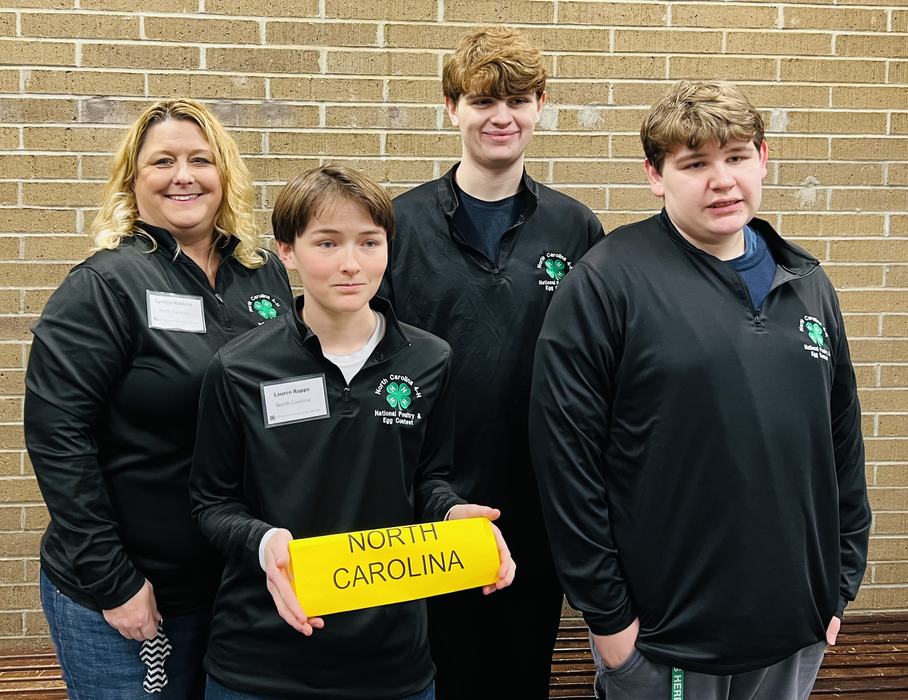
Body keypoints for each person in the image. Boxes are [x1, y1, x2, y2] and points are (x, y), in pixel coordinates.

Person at [529, 80, 872, 700]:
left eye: (737, 157)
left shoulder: (809, 284)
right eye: (694, 164)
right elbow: (565, 460)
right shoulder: (607, 282)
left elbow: (842, 446)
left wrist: (840, 582)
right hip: (665, 642)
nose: (722, 180)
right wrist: (609, 620)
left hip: (794, 629)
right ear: (655, 176)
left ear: (763, 160)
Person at [189, 165, 515, 700]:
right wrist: (263, 540)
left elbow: (429, 480)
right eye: (326, 242)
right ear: (287, 251)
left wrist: (456, 516)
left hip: (391, 666)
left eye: (369, 242)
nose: (350, 264)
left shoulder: (430, 360)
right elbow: (211, 502)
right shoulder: (240, 367)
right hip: (261, 663)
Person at [24, 99, 292, 699]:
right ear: (132, 181)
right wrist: (112, 580)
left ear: (224, 174)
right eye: (162, 161)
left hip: (231, 585)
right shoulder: (105, 285)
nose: (183, 175)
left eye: (201, 159)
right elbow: (57, 437)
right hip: (130, 593)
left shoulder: (262, 275)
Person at [383, 26, 604, 699]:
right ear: (452, 107)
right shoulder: (400, 225)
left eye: (518, 100)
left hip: (538, 504)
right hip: (429, 498)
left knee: (519, 676)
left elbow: (595, 368)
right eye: (483, 101)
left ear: (541, 106)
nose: (501, 117)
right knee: (436, 675)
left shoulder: (574, 228)